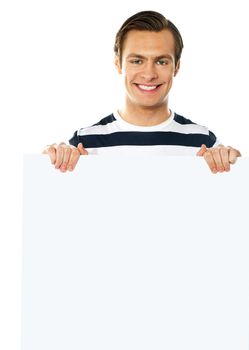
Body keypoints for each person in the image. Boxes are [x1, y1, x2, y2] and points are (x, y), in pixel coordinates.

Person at [43, 10, 241, 173]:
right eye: (137, 61)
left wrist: (234, 165)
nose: (149, 74)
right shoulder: (83, 144)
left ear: (176, 67)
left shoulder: (204, 143)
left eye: (161, 61)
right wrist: (49, 161)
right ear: (118, 65)